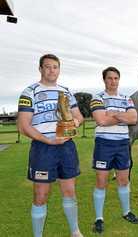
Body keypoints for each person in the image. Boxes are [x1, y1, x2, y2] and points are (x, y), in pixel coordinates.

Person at [17, 54, 84, 237]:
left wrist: (72, 125)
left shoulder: (66, 91)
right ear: (40, 69)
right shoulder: (29, 92)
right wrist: (48, 140)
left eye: (55, 67)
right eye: (47, 67)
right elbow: (23, 125)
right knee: (41, 195)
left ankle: (75, 231)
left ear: (59, 70)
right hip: (43, 148)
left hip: (67, 148)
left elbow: (79, 116)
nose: (51, 70)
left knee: (70, 192)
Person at [90, 66, 138, 234]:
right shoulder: (97, 98)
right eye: (110, 78)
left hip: (122, 144)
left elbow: (133, 118)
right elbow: (101, 121)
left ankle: (126, 212)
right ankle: (99, 218)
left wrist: (113, 114)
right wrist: (121, 116)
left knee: (123, 181)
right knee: (101, 182)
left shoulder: (127, 98)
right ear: (104, 80)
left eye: (116, 78)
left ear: (119, 80)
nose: (113, 81)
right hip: (104, 143)